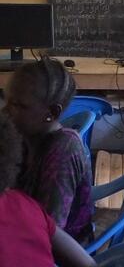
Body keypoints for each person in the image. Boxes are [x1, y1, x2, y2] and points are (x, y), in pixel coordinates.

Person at [3, 57, 93, 242]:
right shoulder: (24, 136)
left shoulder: (63, 152)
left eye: (18, 105)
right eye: (7, 101)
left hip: (56, 248)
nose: (5, 111)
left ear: (51, 113)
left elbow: (49, 231)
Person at [0, 110, 96, 267]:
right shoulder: (26, 205)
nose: (8, 110)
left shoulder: (64, 150)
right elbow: (88, 264)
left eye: (19, 105)